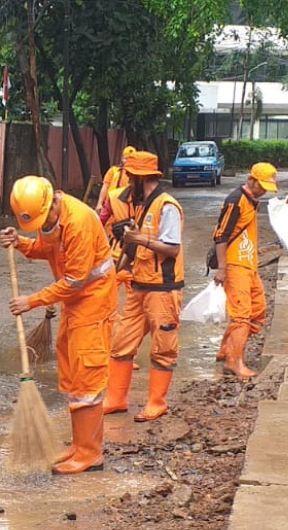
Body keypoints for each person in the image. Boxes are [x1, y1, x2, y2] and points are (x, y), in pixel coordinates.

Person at [2, 175, 115, 475]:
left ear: (52, 201)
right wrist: (21, 243)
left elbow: (76, 281)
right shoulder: (53, 217)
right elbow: (47, 248)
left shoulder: (77, 222)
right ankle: (80, 446)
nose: (42, 225)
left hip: (93, 301)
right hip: (76, 305)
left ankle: (91, 454)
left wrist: (33, 301)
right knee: (72, 372)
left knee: (87, 375)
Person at [105, 151, 185, 422]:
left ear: (141, 178)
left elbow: (172, 249)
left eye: (130, 177)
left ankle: (156, 402)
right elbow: (132, 242)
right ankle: (116, 399)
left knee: (163, 347)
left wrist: (140, 239)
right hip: (139, 285)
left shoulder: (167, 206)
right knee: (121, 342)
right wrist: (119, 268)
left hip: (163, 289)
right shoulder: (139, 205)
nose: (127, 183)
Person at [212, 163, 277, 379]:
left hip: (249, 263)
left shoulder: (252, 200)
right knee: (241, 316)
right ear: (251, 180)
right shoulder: (235, 200)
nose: (264, 191)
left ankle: (226, 350)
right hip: (235, 265)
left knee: (257, 311)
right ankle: (234, 362)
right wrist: (222, 268)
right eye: (262, 186)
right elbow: (220, 235)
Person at [97, 145, 136, 223]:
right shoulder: (113, 171)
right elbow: (105, 186)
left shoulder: (136, 175)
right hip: (109, 204)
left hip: (124, 208)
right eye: (126, 158)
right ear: (122, 159)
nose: (128, 161)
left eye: (131, 159)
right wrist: (99, 203)